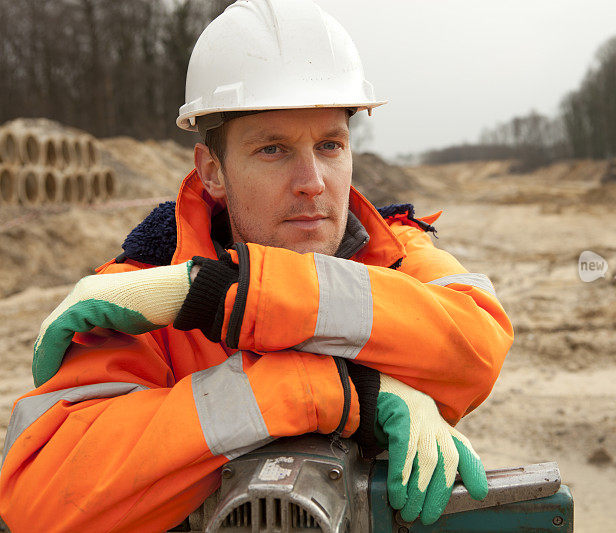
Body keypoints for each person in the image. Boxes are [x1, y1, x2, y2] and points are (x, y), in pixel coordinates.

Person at [0, 1, 513, 531]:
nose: (312, 181)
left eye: (330, 145)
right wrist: (335, 391)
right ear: (213, 170)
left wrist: (219, 294)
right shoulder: (139, 296)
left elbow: (476, 345)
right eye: (273, 149)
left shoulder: (397, 253)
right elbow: (43, 497)